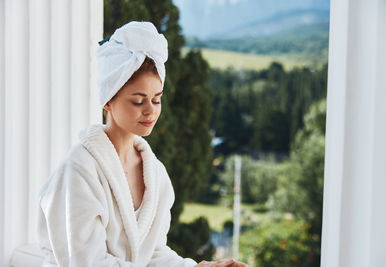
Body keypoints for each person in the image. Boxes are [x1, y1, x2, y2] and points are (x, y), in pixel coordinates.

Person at [36, 21, 248, 267]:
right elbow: (86, 262)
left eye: (156, 100)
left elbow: (152, 253)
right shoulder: (79, 171)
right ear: (108, 100)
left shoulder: (155, 173)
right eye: (138, 101)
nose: (150, 111)